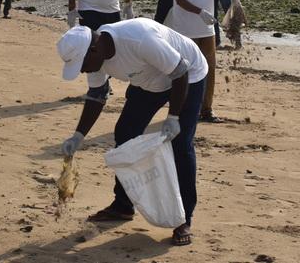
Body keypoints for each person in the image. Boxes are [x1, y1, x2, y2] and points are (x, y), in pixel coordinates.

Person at [57, 19, 209, 246]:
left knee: (181, 143)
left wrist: (173, 117)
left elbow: (180, 71)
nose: (82, 70)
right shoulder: (96, 58)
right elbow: (97, 96)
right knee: (125, 133)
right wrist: (78, 135)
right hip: (148, 80)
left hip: (188, 75)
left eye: (82, 64)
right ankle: (123, 205)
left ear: (94, 49)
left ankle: (184, 218)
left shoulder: (139, 39)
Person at [168, 0, 232, 123]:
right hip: (185, 29)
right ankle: (185, 110)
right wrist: (200, 12)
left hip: (207, 29)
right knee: (187, 71)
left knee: (209, 69)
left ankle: (207, 109)